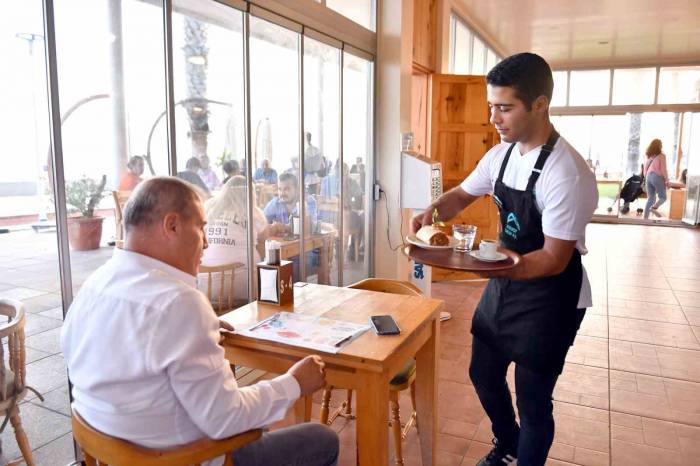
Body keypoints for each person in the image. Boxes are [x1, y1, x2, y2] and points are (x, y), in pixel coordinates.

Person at [61, 177, 338, 466]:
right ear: (172, 226)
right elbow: (226, 420)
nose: (206, 242)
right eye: (201, 228)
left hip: (112, 454)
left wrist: (192, 334)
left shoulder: (94, 285)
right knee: (322, 439)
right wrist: (294, 382)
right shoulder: (179, 304)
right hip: (185, 458)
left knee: (262, 416)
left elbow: (125, 345)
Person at [411, 53, 598, 466]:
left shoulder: (566, 173)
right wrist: (433, 213)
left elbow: (552, 258)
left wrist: (481, 266)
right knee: (483, 374)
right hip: (506, 282)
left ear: (540, 103)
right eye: (491, 106)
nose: (494, 117)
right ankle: (508, 445)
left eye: (505, 107)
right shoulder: (502, 155)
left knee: (533, 401)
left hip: (550, 296)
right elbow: (462, 195)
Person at [200, 176, 285, 307]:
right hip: (242, 287)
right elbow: (263, 249)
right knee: (272, 267)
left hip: (205, 286)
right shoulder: (253, 213)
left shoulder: (208, 209)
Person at [642, 139, 669, 219]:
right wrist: (667, 180)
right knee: (663, 197)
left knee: (650, 199)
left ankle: (645, 219)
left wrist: (646, 178)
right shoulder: (662, 156)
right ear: (660, 146)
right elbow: (663, 169)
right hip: (657, 177)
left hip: (648, 177)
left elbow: (645, 169)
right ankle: (654, 208)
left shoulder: (648, 156)